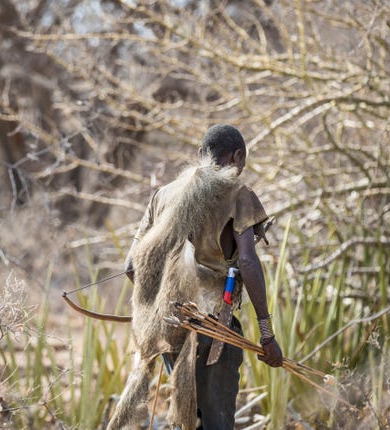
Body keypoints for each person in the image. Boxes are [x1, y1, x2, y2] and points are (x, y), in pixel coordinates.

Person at [110, 124, 283, 430]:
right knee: (216, 424)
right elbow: (247, 260)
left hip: (171, 329)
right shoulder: (238, 194)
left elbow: (131, 267)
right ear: (237, 157)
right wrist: (266, 333)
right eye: (241, 163)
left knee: (188, 422)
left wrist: (161, 308)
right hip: (216, 327)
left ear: (202, 155)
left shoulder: (163, 195)